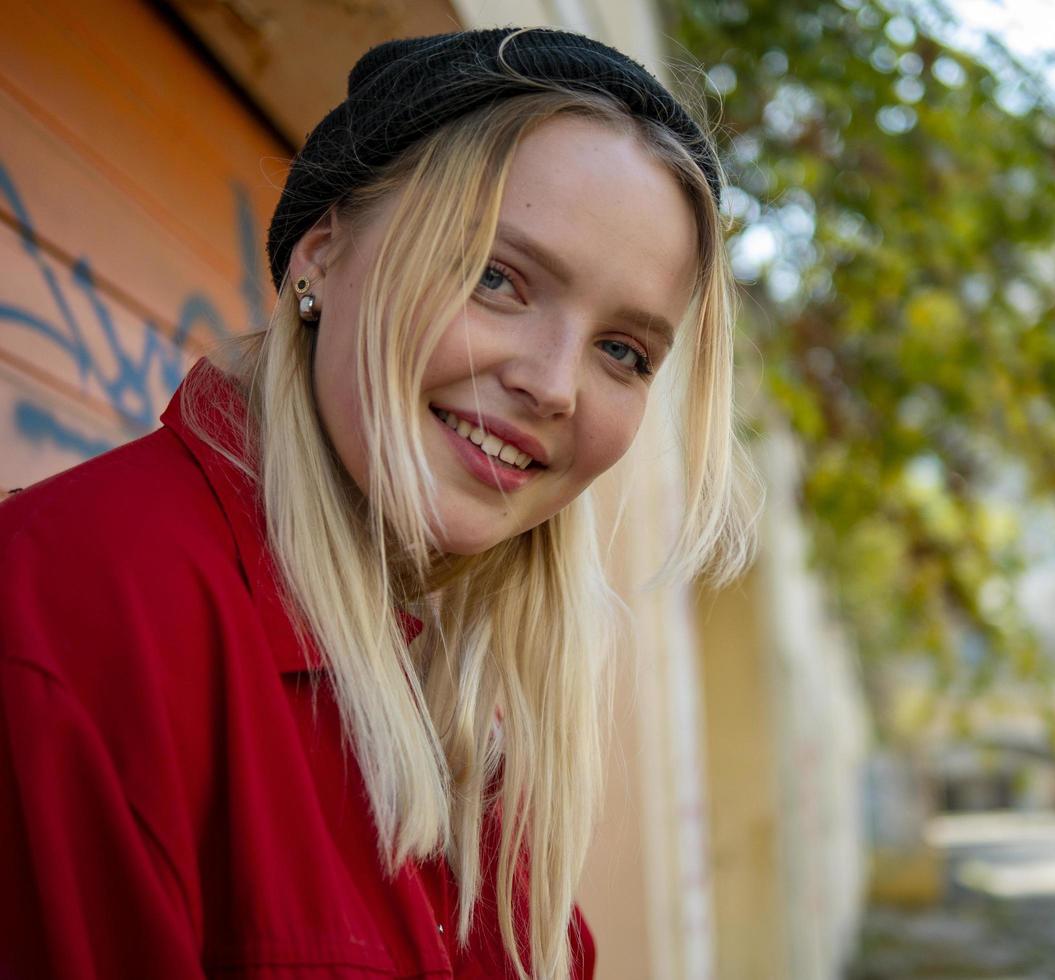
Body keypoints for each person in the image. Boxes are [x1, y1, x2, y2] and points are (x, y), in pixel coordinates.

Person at [0, 27, 755, 980]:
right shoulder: (75, 613)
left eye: (623, 351)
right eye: (495, 276)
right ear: (320, 253)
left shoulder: (470, 713)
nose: (557, 385)